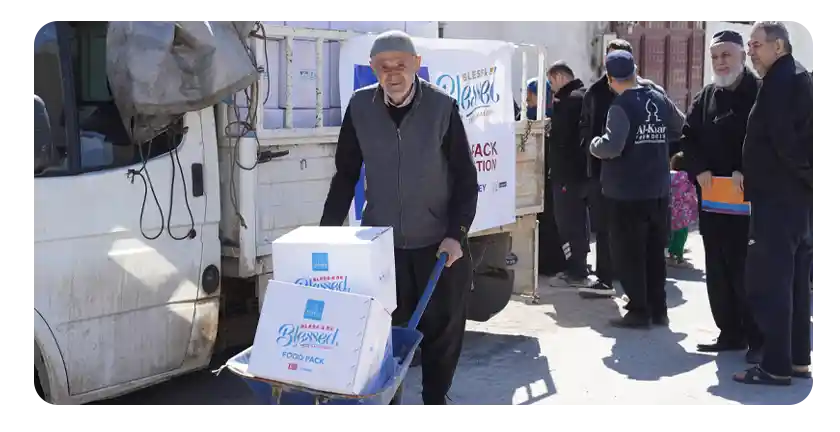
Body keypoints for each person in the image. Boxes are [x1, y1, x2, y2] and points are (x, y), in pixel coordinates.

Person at [319, 30, 478, 405]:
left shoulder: (443, 107)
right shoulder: (360, 108)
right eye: (383, 66)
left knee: (441, 332)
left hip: (439, 245)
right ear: (373, 69)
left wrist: (456, 233)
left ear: (417, 66)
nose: (392, 73)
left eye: (400, 65)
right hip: (383, 247)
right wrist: (327, 235)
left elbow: (466, 178)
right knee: (383, 336)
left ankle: (435, 402)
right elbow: (345, 175)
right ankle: (389, 403)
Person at [733, 21, 815, 386]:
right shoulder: (793, 76)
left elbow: (785, 142)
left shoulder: (781, 81)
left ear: (778, 47)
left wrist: (804, 176)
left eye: (756, 45)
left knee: (772, 283)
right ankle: (797, 360)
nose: (750, 51)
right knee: (795, 281)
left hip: (779, 200)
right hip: (793, 200)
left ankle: (775, 366)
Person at [679, 30, 764, 361]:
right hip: (714, 201)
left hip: (749, 201)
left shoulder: (759, 92)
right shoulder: (706, 95)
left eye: (726, 55)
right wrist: (697, 168)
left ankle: (757, 337)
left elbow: (766, 139)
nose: (720, 62)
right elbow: (688, 137)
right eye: (715, 57)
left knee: (748, 269)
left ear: (742, 55)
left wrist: (748, 168)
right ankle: (729, 331)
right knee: (717, 266)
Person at [578, 38, 684, 299]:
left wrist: (596, 146)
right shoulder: (602, 93)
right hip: (639, 182)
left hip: (627, 186)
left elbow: (607, 143)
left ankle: (638, 301)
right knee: (620, 236)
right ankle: (621, 285)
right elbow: (678, 126)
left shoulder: (629, 98)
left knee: (631, 242)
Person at [543, 61, 593, 288]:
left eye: (551, 82)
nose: (552, 88)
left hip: (566, 173)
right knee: (580, 221)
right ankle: (580, 264)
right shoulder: (585, 95)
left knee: (567, 222)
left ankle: (575, 270)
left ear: (560, 77)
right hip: (583, 173)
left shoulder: (568, 101)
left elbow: (561, 138)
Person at [666, 151, 698, 268]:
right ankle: (677, 258)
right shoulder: (688, 179)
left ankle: (670, 252)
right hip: (681, 214)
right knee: (681, 234)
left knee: (669, 234)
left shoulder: (667, 175)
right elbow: (692, 196)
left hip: (667, 211)